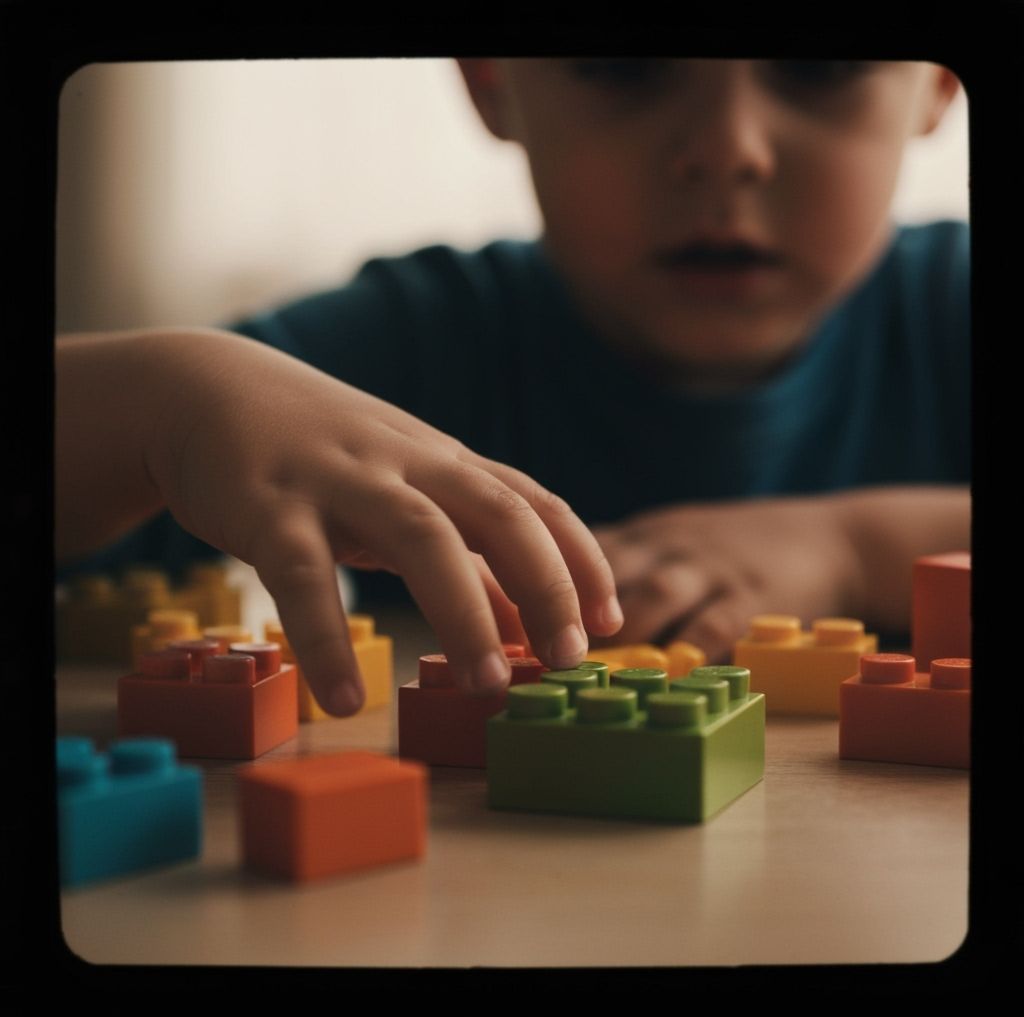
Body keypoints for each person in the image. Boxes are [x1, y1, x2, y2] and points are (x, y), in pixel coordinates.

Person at [56, 58, 970, 718]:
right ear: (492, 79)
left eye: (824, 66)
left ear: (938, 83)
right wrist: (158, 401)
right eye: (626, 68)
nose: (728, 151)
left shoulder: (957, 308)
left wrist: (857, 547)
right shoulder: (409, 340)